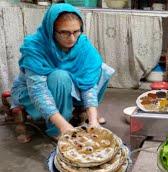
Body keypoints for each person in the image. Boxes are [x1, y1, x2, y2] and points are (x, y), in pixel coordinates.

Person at [10, 3, 115, 138]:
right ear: (51, 29)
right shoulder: (35, 47)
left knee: (102, 69)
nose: (72, 38)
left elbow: (88, 83)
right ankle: (57, 127)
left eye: (76, 32)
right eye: (64, 32)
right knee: (60, 76)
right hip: (31, 92)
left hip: (66, 87)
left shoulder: (82, 44)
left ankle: (86, 112)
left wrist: (93, 120)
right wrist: (63, 125)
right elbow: (38, 90)